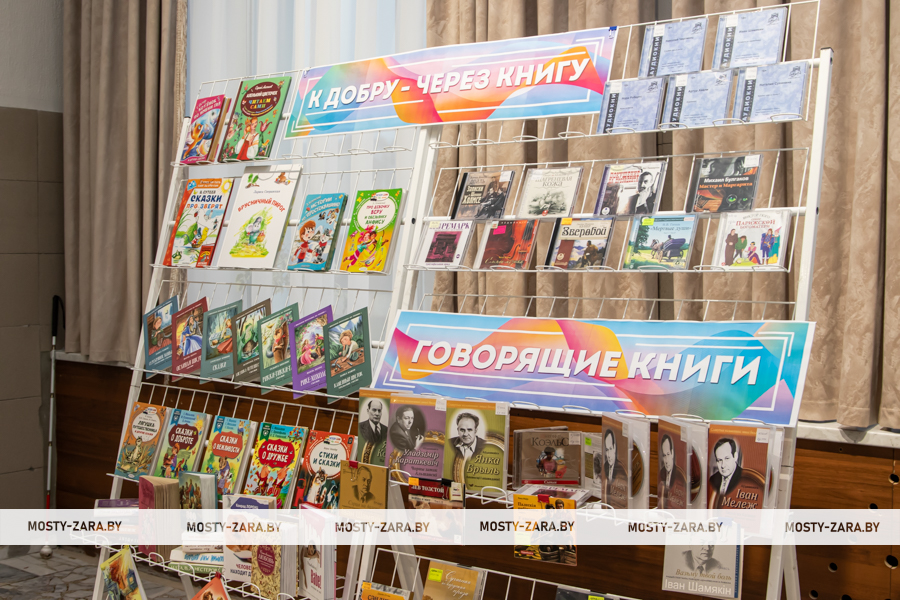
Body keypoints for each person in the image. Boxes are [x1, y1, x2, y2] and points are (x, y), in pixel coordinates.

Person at [658, 434, 687, 509]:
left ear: (672, 453)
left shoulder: (680, 476)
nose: (666, 460)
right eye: (664, 455)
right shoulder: (661, 473)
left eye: (668, 454)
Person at [602, 428, 627, 505]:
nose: (609, 455)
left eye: (610, 449)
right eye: (607, 450)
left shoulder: (621, 470)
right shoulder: (605, 467)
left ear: (614, 448)